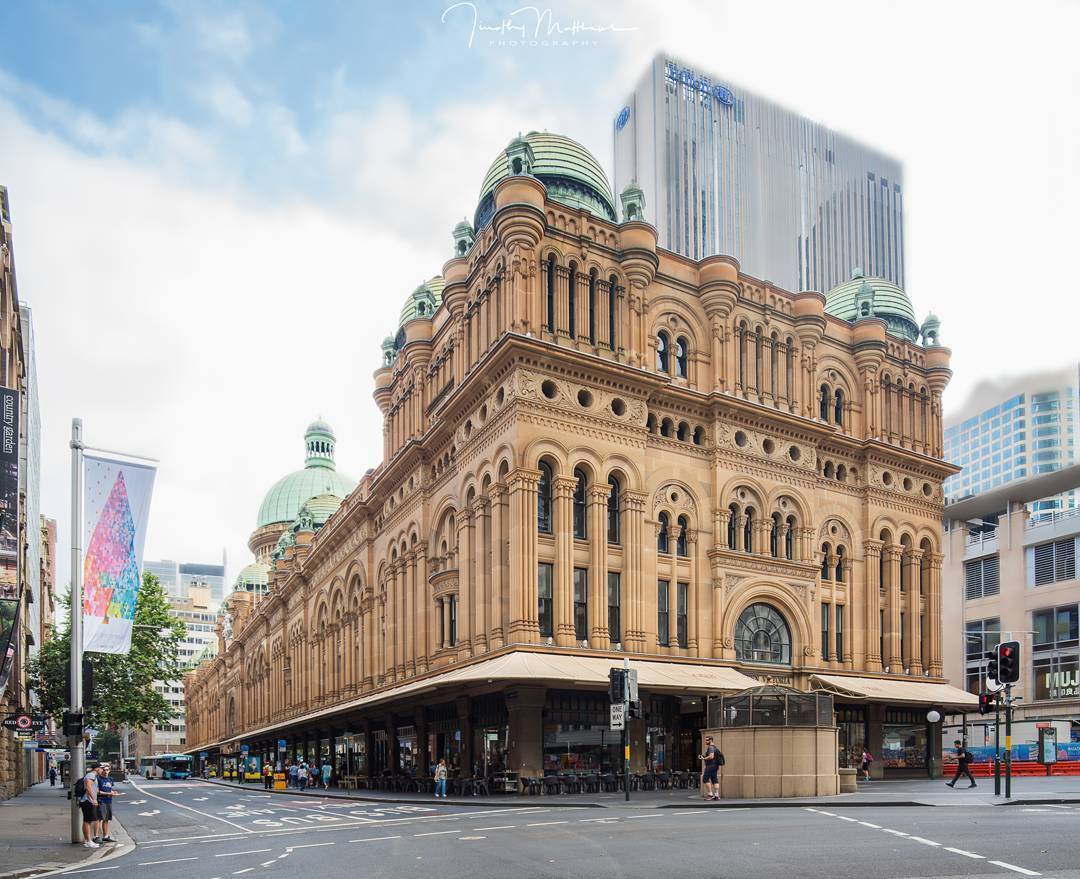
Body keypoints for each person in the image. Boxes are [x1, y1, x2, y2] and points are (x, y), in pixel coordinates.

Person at [77, 764, 100, 849]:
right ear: (97, 768)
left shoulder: (92, 775)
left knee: (87, 821)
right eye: (101, 768)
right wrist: (93, 799)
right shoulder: (91, 775)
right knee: (88, 821)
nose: (102, 770)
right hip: (88, 801)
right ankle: (88, 841)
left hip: (87, 800)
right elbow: (88, 786)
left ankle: (88, 841)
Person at [96, 764, 120, 843]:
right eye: (104, 770)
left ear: (109, 771)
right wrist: (107, 793)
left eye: (107, 770)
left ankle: (105, 836)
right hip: (101, 800)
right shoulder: (98, 779)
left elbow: (110, 788)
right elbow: (97, 791)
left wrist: (113, 792)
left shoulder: (110, 779)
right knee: (99, 818)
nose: (105, 771)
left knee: (106, 819)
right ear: (101, 770)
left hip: (109, 800)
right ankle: (96, 836)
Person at [699, 735, 724, 801]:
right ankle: (716, 795)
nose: (706, 741)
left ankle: (710, 794)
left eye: (707, 740)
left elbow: (711, 756)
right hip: (715, 766)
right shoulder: (715, 747)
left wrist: (704, 758)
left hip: (710, 766)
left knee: (705, 779)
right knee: (714, 779)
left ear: (710, 740)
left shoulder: (711, 747)